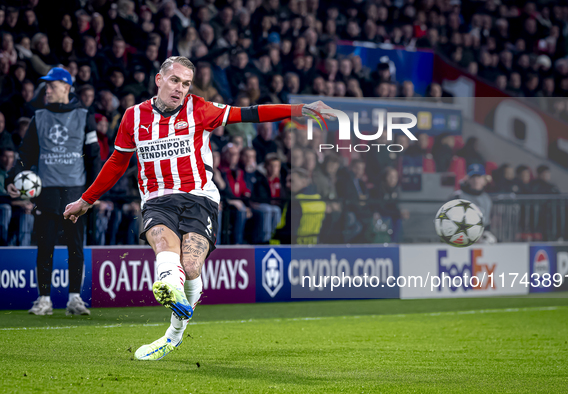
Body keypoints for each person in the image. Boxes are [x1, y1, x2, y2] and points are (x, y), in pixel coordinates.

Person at [63, 56, 334, 361]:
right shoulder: (133, 117)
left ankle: (173, 333)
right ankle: (169, 284)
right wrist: (86, 200)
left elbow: (251, 114)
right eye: (175, 80)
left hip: (198, 198)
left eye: (187, 83)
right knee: (165, 244)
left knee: (191, 267)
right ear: (159, 79)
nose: (180, 88)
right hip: (157, 198)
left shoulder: (201, 109)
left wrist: (299, 109)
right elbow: (116, 162)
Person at [18, 67, 100, 316]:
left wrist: (92, 193)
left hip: (76, 194)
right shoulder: (39, 116)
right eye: (46, 86)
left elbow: (94, 157)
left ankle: (74, 299)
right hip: (47, 193)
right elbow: (26, 154)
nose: (47, 89)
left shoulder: (85, 116)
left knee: (76, 247)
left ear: (66, 87)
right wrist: (14, 177)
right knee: (45, 248)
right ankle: (44, 300)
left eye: (52, 85)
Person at [450, 163, 496, 244]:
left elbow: (487, 222)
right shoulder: (457, 197)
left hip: (481, 236)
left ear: (484, 179)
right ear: (467, 179)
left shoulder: (487, 199)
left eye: (479, 177)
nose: (476, 180)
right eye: (473, 177)